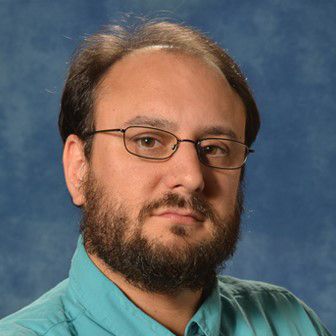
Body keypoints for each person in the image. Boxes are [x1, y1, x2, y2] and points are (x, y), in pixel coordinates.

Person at [0, 20, 331, 336]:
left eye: (215, 148)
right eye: (148, 140)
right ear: (78, 169)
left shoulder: (291, 322)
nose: (191, 176)